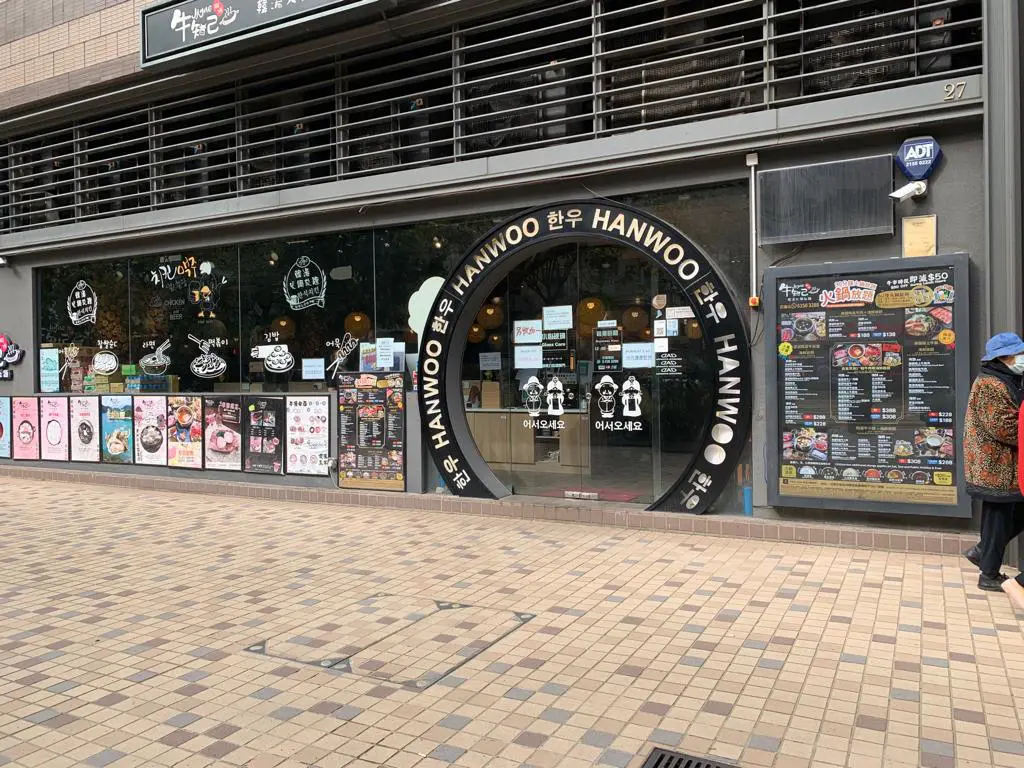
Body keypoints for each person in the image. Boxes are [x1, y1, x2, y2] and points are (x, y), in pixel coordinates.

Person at [962, 332, 1024, 591]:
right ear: (1003, 357)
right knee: (998, 518)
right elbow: (1004, 428)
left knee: (1007, 516)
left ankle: (982, 552)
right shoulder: (991, 384)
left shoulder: (1006, 379)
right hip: (995, 466)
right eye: (1018, 354)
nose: (1021, 358)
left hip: (1004, 466)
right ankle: (988, 573)